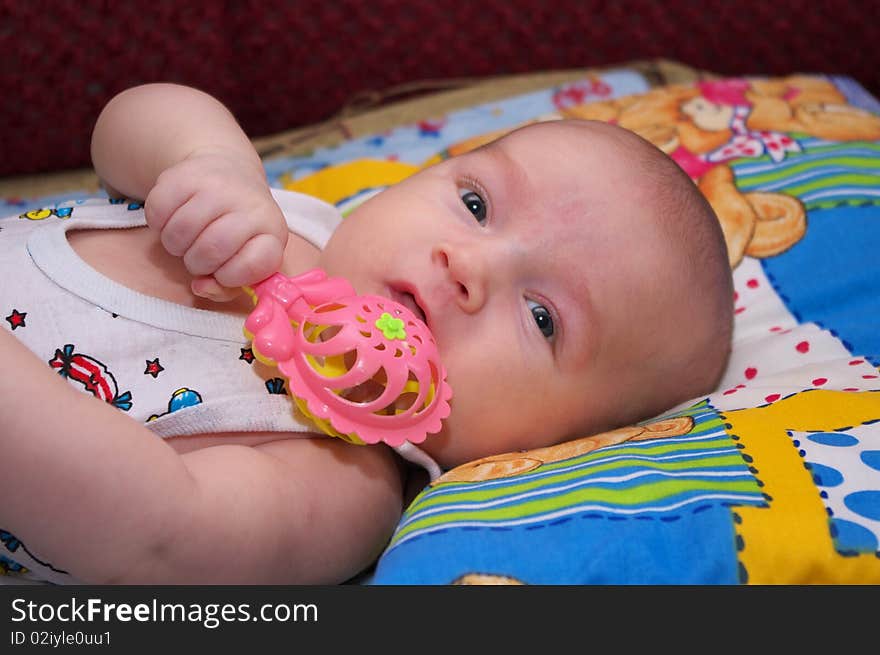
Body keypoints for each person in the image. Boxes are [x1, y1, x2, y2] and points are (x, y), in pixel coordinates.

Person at [0, 83, 733, 584]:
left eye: (543, 318)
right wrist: (208, 159)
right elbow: (121, 127)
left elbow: (153, 537)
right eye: (476, 202)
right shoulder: (291, 216)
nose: (466, 263)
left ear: (551, 442)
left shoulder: (343, 484)